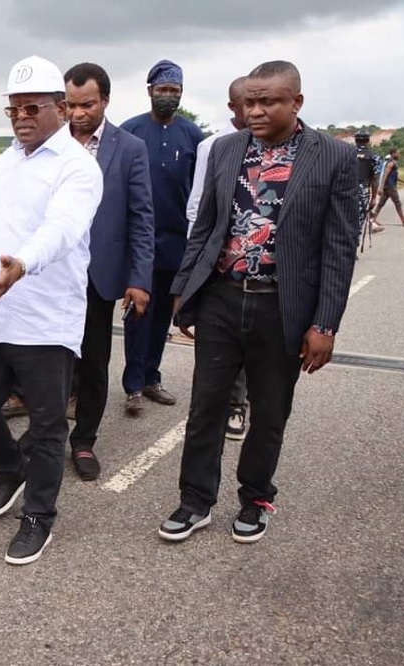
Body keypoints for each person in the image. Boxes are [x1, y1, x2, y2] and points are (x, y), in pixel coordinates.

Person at [159, 61, 359, 544]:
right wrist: (184, 291)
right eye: (249, 101)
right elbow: (205, 226)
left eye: (267, 101)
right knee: (205, 405)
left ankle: (255, 497)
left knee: (270, 411)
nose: (255, 110)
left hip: (283, 307)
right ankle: (195, 500)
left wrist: (325, 324)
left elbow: (338, 246)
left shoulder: (332, 157)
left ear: (296, 102)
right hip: (222, 300)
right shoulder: (227, 150)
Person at [0, 56, 103, 565]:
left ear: (61, 109)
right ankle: (10, 470)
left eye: (31, 107)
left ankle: (39, 515)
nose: (20, 117)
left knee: (45, 424)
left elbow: (62, 228)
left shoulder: (78, 166)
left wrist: (24, 265)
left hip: (44, 318)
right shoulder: (9, 158)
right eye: (12, 109)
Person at [61, 63, 155, 481]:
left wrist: (138, 279)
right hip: (52, 275)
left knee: (94, 361)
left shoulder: (130, 148)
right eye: (70, 105)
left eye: (87, 104)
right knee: (50, 361)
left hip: (99, 276)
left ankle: (83, 442)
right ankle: (44, 437)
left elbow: (141, 218)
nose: (78, 114)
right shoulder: (49, 144)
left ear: (105, 101)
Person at [120, 60, 204, 415]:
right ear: (149, 90)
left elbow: (200, 190)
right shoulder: (130, 131)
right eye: (162, 90)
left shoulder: (194, 136)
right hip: (139, 241)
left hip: (177, 242)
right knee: (138, 313)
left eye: (174, 91)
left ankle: (152, 377)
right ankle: (133, 385)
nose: (168, 96)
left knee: (162, 317)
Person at [186, 77, 251, 441]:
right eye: (247, 103)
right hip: (217, 266)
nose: (255, 110)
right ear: (233, 107)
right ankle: (231, 404)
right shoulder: (214, 147)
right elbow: (196, 205)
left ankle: (241, 399)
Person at [353, 130, 383, 238]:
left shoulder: (346, 153)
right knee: (359, 220)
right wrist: (374, 198)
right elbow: (375, 178)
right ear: (368, 140)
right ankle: (352, 250)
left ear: (355, 140)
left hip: (344, 190)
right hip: (362, 191)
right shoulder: (374, 157)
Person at [374, 147, 404, 225]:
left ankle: (373, 218)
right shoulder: (391, 163)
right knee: (397, 203)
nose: (399, 155)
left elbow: (394, 176)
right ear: (393, 154)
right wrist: (381, 187)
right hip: (390, 187)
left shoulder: (393, 163)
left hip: (388, 186)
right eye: (398, 153)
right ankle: (403, 220)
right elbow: (385, 175)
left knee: (381, 203)